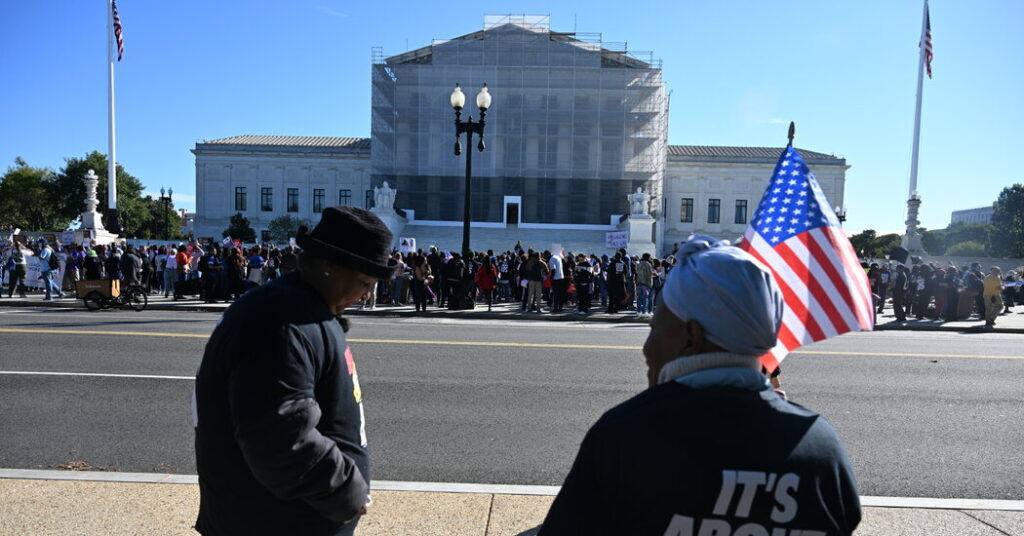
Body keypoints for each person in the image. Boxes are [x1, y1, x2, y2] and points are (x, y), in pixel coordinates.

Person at [539, 235, 861, 536]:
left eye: (655, 328)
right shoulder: (821, 450)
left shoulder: (623, 436)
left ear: (691, 337)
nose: (647, 348)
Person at [193, 206, 389, 536]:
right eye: (364, 281)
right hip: (274, 521)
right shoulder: (281, 323)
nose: (368, 294)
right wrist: (347, 491)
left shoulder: (301, 310)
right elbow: (280, 437)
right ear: (329, 265)